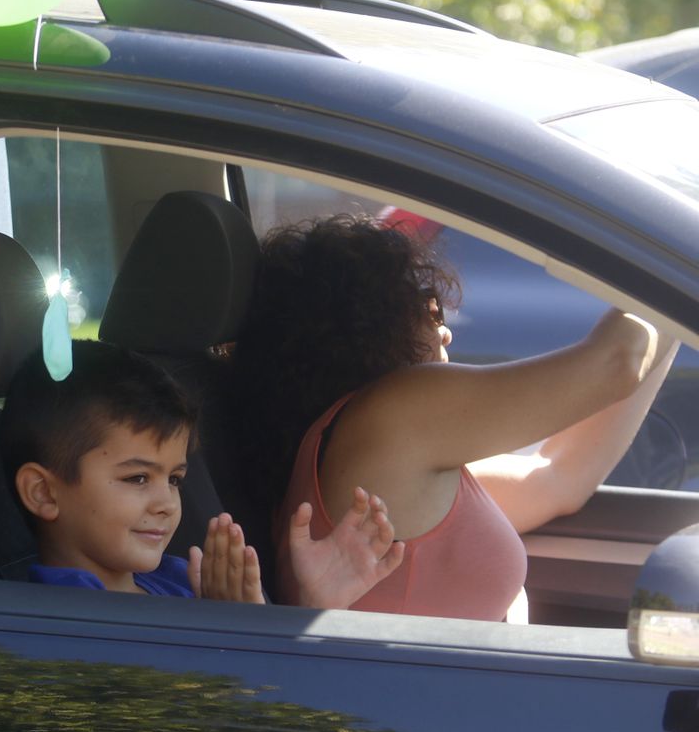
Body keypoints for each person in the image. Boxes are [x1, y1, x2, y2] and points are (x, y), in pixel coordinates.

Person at [232, 215, 678, 620]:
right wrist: (675, 259)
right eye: (427, 305)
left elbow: (558, 477)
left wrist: (676, 311)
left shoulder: (376, 452)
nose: (444, 326)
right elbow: (617, 363)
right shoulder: (397, 413)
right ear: (369, 325)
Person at [0, 340, 403, 606]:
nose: (166, 504)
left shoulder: (176, 578)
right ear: (43, 494)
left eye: (174, 479)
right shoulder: (70, 617)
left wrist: (314, 605)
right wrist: (236, 632)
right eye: (138, 478)